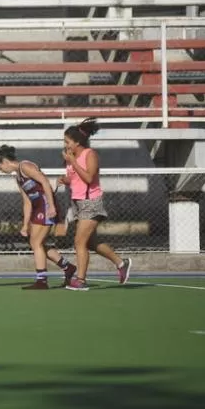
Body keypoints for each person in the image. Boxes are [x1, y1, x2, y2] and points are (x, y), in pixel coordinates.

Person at [59, 118, 131, 291]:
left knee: (79, 242)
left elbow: (89, 178)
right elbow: (76, 179)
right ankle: (121, 263)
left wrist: (73, 162)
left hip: (91, 203)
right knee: (90, 243)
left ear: (77, 142)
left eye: (67, 142)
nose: (65, 145)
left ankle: (81, 280)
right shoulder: (71, 157)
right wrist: (65, 180)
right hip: (78, 203)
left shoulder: (89, 154)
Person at [0, 145, 77, 289]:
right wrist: (25, 225)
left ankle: (41, 280)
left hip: (45, 205)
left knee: (36, 243)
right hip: (37, 208)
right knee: (37, 243)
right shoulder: (18, 178)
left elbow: (44, 182)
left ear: (6, 161)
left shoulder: (25, 166)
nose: (1, 171)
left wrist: (51, 205)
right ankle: (67, 267)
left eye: (0, 167)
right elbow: (27, 202)